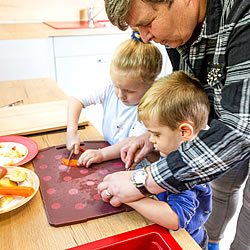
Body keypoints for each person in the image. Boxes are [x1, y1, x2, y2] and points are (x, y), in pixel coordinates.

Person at [97, 1, 250, 250]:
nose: (145, 39)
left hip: (241, 127)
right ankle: (210, 243)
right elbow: (196, 97)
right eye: (138, 30)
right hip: (227, 127)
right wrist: (153, 134)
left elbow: (240, 129)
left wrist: (141, 180)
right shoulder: (178, 33)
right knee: (222, 188)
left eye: (147, 23)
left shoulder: (243, 13)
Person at [126, 71, 212, 249]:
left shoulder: (189, 170)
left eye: (156, 134)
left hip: (186, 242)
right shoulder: (172, 151)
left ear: (184, 132)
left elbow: (175, 218)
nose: (150, 140)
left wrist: (129, 197)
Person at [66, 29, 162, 167]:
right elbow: (76, 100)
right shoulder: (110, 88)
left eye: (129, 91)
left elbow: (133, 141)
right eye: (117, 86)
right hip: (111, 157)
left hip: (136, 166)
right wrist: (71, 132)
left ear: (151, 84)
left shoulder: (153, 105)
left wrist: (102, 154)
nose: (120, 95)